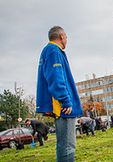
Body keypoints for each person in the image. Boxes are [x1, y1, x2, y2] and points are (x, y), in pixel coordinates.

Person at [36, 26, 83, 162]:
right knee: (68, 145)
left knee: (63, 145)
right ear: (61, 37)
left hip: (59, 104)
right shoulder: (53, 51)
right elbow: (56, 77)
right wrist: (65, 100)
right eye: (66, 37)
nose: (67, 40)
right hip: (63, 106)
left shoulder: (48, 51)